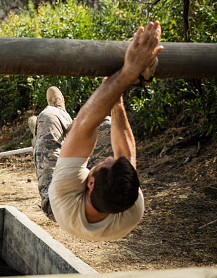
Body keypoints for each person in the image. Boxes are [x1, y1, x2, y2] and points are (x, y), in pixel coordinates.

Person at [31, 21, 163, 241]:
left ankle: (58, 116)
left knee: (48, 119)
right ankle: (68, 131)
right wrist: (117, 96)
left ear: (89, 184)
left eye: (105, 162)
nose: (108, 157)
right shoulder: (131, 203)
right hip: (97, 196)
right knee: (108, 125)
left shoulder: (64, 194)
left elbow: (86, 122)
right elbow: (125, 154)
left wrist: (129, 72)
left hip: (54, 203)